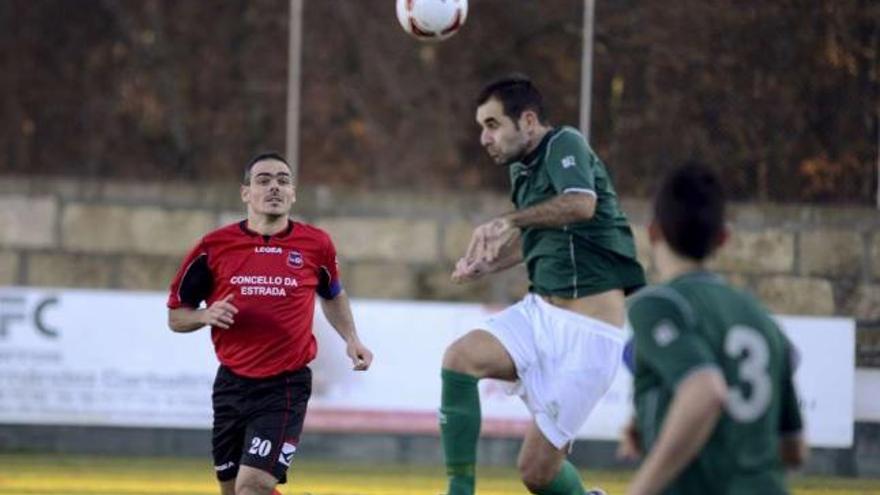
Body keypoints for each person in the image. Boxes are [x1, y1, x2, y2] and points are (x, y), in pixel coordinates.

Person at [441, 76, 646, 495]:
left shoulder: (564, 142)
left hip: (589, 334)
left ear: (528, 121)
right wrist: (486, 265)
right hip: (539, 315)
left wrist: (509, 220)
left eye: (493, 124)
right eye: (482, 126)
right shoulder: (521, 168)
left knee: (536, 474)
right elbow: (538, 235)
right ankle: (458, 490)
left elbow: (580, 204)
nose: (485, 138)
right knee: (459, 358)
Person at [166, 152, 373, 495]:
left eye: (283, 180)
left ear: (293, 193)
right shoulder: (213, 247)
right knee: (233, 491)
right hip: (231, 383)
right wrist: (205, 315)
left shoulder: (316, 244)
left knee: (253, 486)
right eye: (263, 180)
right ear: (245, 193)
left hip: (285, 385)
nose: (274, 186)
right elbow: (176, 316)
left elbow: (332, 293)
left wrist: (352, 339)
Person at [619, 163, 808, 495]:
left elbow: (705, 390)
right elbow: (794, 449)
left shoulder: (658, 305)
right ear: (724, 237)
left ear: (652, 232)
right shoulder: (760, 317)